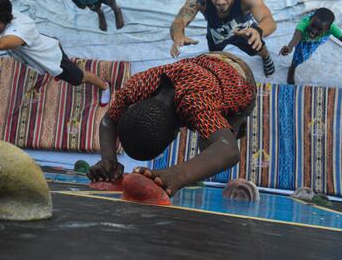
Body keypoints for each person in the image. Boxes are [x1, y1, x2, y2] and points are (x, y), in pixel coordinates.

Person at [87, 52, 256, 197]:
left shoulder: (196, 102)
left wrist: (178, 176)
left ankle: (236, 125)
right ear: (132, 106)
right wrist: (109, 159)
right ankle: (222, 128)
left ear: (175, 133)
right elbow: (109, 120)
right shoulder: (136, 87)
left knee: (209, 147)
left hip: (239, 78)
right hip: (207, 63)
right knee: (212, 136)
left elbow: (229, 151)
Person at [170, 0, 277, 77]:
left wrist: (258, 31)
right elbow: (179, 20)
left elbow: (269, 20)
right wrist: (178, 36)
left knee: (258, 47)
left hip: (244, 32)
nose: (220, 1)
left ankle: (266, 57)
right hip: (216, 34)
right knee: (215, 57)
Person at [280, 7, 342, 84]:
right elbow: (296, 37)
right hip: (304, 41)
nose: (313, 31)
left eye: (319, 29)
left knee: (310, 49)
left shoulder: (332, 28)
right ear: (310, 19)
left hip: (317, 40)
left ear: (328, 29)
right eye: (312, 26)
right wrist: (289, 47)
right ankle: (292, 68)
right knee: (298, 57)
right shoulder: (304, 23)